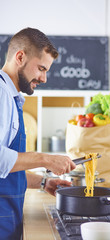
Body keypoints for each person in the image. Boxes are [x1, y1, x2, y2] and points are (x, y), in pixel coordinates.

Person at [0, 27, 76, 240]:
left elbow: (7, 169)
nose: (44, 78)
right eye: (41, 68)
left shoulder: (12, 97)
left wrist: (43, 183)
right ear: (20, 57)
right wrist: (46, 159)